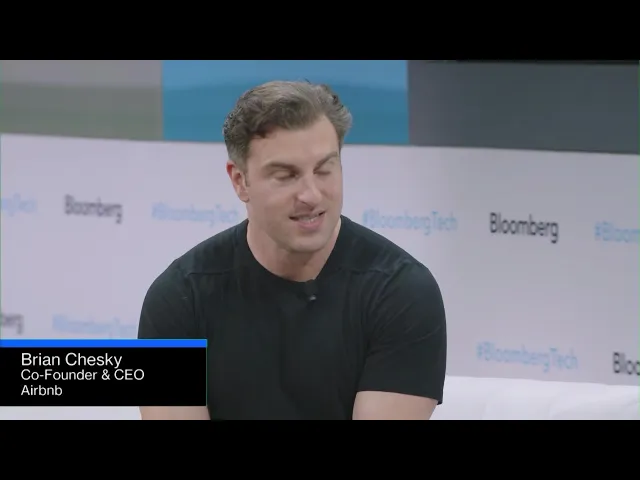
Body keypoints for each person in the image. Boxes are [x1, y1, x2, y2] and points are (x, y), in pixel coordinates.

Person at [138, 80, 447, 420]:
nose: (311, 195)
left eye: (324, 169)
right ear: (240, 180)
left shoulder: (403, 293)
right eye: (286, 175)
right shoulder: (177, 298)